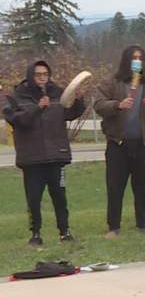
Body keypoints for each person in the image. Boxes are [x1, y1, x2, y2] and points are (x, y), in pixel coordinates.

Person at [94, 45, 145, 237]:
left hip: (144, 144)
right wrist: (117, 105)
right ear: (126, 61)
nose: (137, 61)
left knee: (143, 187)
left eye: (140, 58)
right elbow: (98, 104)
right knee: (115, 187)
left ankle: (144, 225)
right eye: (133, 58)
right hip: (117, 143)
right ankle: (113, 227)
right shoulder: (113, 82)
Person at [3, 61, 87, 245]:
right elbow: (18, 121)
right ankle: (35, 234)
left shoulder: (57, 93)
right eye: (38, 74)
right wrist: (37, 108)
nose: (42, 78)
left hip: (56, 156)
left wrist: (79, 101)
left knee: (60, 196)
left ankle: (64, 232)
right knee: (33, 199)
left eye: (45, 74)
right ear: (30, 76)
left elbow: (70, 113)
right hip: (32, 159)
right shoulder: (16, 97)